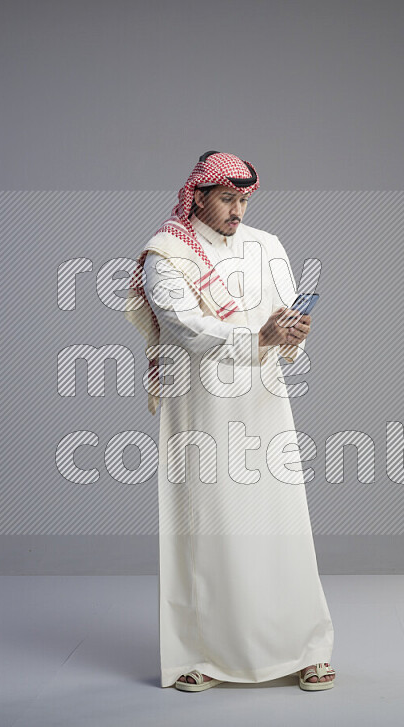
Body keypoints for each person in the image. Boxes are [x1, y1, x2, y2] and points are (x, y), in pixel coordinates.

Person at [124, 151, 336, 691]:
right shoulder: (165, 254)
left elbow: (286, 313)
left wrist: (291, 331)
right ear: (197, 195)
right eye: (228, 199)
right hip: (199, 407)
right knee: (207, 526)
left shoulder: (267, 247)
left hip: (263, 400)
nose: (238, 210)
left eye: (244, 200)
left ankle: (305, 647)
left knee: (281, 522)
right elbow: (184, 327)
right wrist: (257, 338)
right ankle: (200, 656)